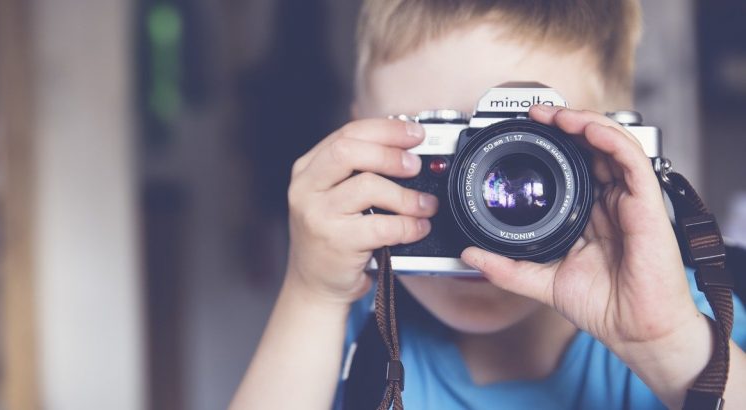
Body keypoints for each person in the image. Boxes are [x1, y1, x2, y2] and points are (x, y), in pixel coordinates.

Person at [230, 1, 746, 409]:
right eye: (444, 149)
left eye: (526, 151)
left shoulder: (681, 322)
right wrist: (312, 292)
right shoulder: (348, 334)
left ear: (612, 144)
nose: (479, 210)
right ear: (360, 139)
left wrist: (669, 347)